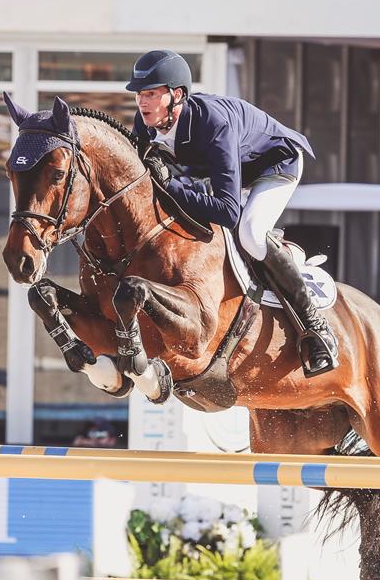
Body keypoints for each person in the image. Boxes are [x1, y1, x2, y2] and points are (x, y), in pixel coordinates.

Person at [125, 49, 338, 377]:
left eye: (152, 94)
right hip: (225, 172)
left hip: (275, 165)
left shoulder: (214, 123)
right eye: (140, 94)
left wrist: (172, 186)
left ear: (177, 95)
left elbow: (227, 211)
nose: (143, 102)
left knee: (251, 235)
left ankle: (316, 327)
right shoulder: (145, 123)